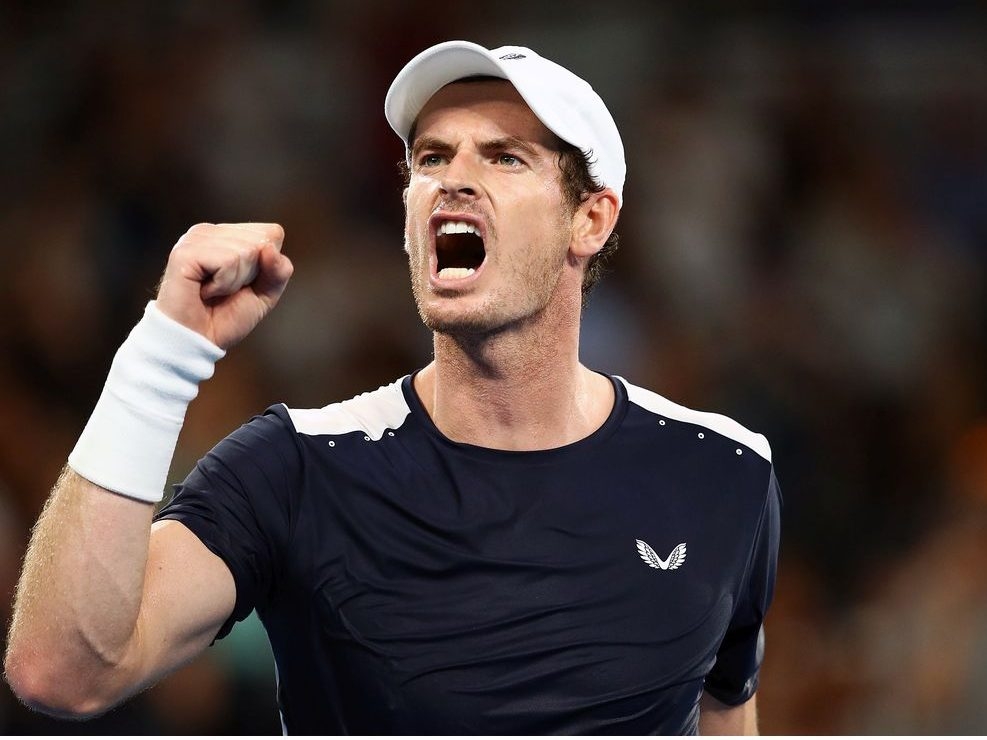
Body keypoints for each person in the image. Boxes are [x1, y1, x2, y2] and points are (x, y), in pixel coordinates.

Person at [4, 40, 781, 735]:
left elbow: (721, 715)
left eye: (504, 157)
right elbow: (62, 672)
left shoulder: (727, 472)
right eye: (432, 158)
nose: (452, 181)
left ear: (590, 219)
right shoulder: (296, 467)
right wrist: (160, 360)